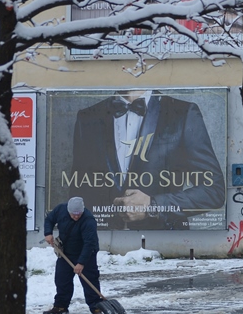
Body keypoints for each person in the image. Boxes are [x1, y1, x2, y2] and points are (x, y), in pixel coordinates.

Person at [69, 90, 226, 230]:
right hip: (102, 245)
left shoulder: (184, 113)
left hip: (166, 243)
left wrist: (153, 205)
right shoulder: (87, 117)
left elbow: (213, 190)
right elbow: (79, 188)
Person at [43, 196, 102, 314]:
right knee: (61, 279)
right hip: (66, 252)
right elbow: (49, 219)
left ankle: (96, 308)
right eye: (73, 214)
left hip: (86, 253)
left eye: (78, 213)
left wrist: (81, 263)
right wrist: (48, 233)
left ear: (82, 210)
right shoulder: (60, 210)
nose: (76, 216)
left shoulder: (88, 220)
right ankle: (61, 306)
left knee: (90, 280)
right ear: (68, 210)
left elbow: (89, 243)